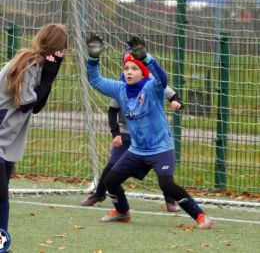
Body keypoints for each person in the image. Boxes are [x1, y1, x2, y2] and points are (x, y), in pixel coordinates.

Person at [86, 34, 214, 229]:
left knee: (166, 185)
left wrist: (146, 58)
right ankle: (122, 212)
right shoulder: (120, 89)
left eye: (134, 68)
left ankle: (201, 216)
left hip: (161, 148)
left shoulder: (152, 87)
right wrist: (93, 59)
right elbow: (95, 81)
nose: (129, 72)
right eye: (126, 68)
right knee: (110, 180)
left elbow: (162, 78)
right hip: (137, 150)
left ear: (144, 72)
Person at [81, 47, 182, 212]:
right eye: (127, 64)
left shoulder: (151, 82)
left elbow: (171, 93)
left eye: (135, 63)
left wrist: (176, 101)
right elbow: (112, 112)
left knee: (163, 173)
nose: (130, 68)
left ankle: (170, 201)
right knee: (111, 167)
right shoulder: (120, 87)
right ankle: (99, 194)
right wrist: (115, 134)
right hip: (126, 134)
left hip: (150, 138)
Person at [0, 23, 71, 251]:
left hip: (6, 142)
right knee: (0, 195)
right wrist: (48, 78)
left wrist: (50, 75)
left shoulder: (36, 65)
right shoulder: (27, 64)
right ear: (60, 49)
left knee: (1, 196)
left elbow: (36, 106)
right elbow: (27, 104)